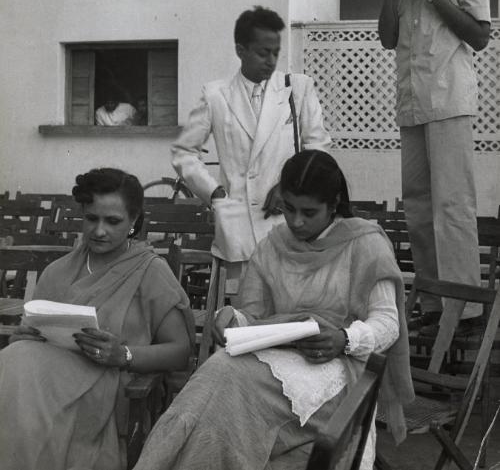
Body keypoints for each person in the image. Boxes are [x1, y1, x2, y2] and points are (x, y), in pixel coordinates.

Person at [133, 151, 414, 470]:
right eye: (289, 209)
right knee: (217, 375)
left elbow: (389, 323)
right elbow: (250, 316)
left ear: (334, 204)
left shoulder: (364, 243)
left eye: (309, 212)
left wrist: (344, 338)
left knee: (227, 379)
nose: (296, 222)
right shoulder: (273, 245)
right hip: (271, 363)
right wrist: (228, 320)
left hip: (337, 371)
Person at [0, 168, 194, 470]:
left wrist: (124, 355)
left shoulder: (150, 272)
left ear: (133, 221)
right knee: (16, 357)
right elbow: (35, 335)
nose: (99, 231)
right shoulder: (58, 272)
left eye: (113, 221)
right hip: (47, 385)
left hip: (111, 391)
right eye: (91, 218)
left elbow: (180, 352)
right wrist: (25, 337)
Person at [377, 0, 491, 334]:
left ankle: (466, 311)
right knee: (419, 208)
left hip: (449, 100)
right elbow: (388, 37)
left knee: (453, 206)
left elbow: (479, 36)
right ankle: (430, 300)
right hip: (411, 101)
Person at [171, 6, 331, 279]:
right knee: (244, 310)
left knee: (290, 310)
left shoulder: (299, 89)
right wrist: (215, 194)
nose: (271, 60)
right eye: (262, 52)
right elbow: (184, 152)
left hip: (288, 221)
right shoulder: (216, 96)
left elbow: (319, 149)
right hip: (238, 225)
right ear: (240, 50)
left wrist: (291, 186)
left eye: (275, 53)